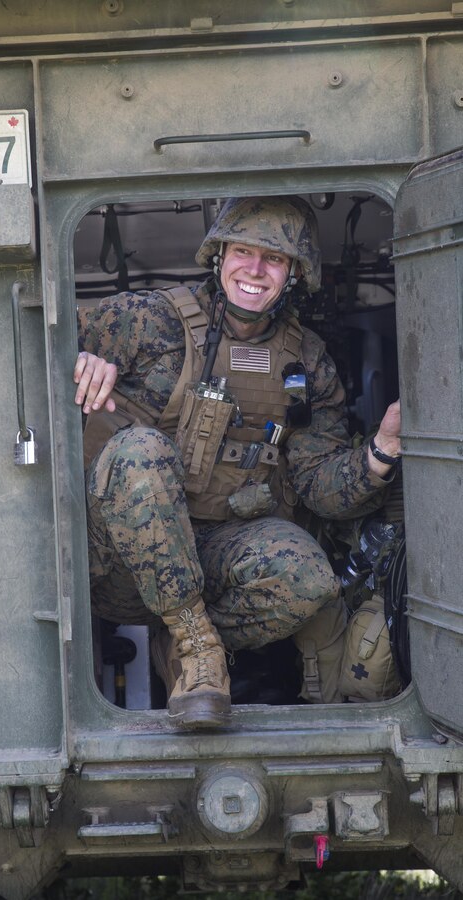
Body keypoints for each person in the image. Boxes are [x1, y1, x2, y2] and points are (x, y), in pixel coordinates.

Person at [74, 196, 402, 729]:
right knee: (140, 450)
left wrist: (382, 450)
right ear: (219, 256)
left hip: (214, 555)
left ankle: (185, 638)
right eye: (243, 252)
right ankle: (195, 644)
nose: (254, 269)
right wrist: (78, 361)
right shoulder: (146, 320)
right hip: (114, 561)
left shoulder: (307, 361)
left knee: (309, 578)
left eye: (273, 258)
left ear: (295, 273)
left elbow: (320, 486)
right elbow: (29, 346)